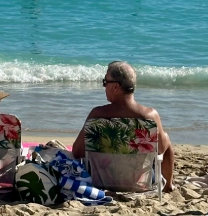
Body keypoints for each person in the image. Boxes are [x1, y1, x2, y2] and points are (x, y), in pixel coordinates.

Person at [72, 61, 174, 191]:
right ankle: (168, 186)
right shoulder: (150, 116)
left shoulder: (96, 115)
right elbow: (161, 150)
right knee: (166, 139)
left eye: (105, 82)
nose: (104, 86)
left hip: (101, 182)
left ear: (115, 86)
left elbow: (77, 152)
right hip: (140, 184)